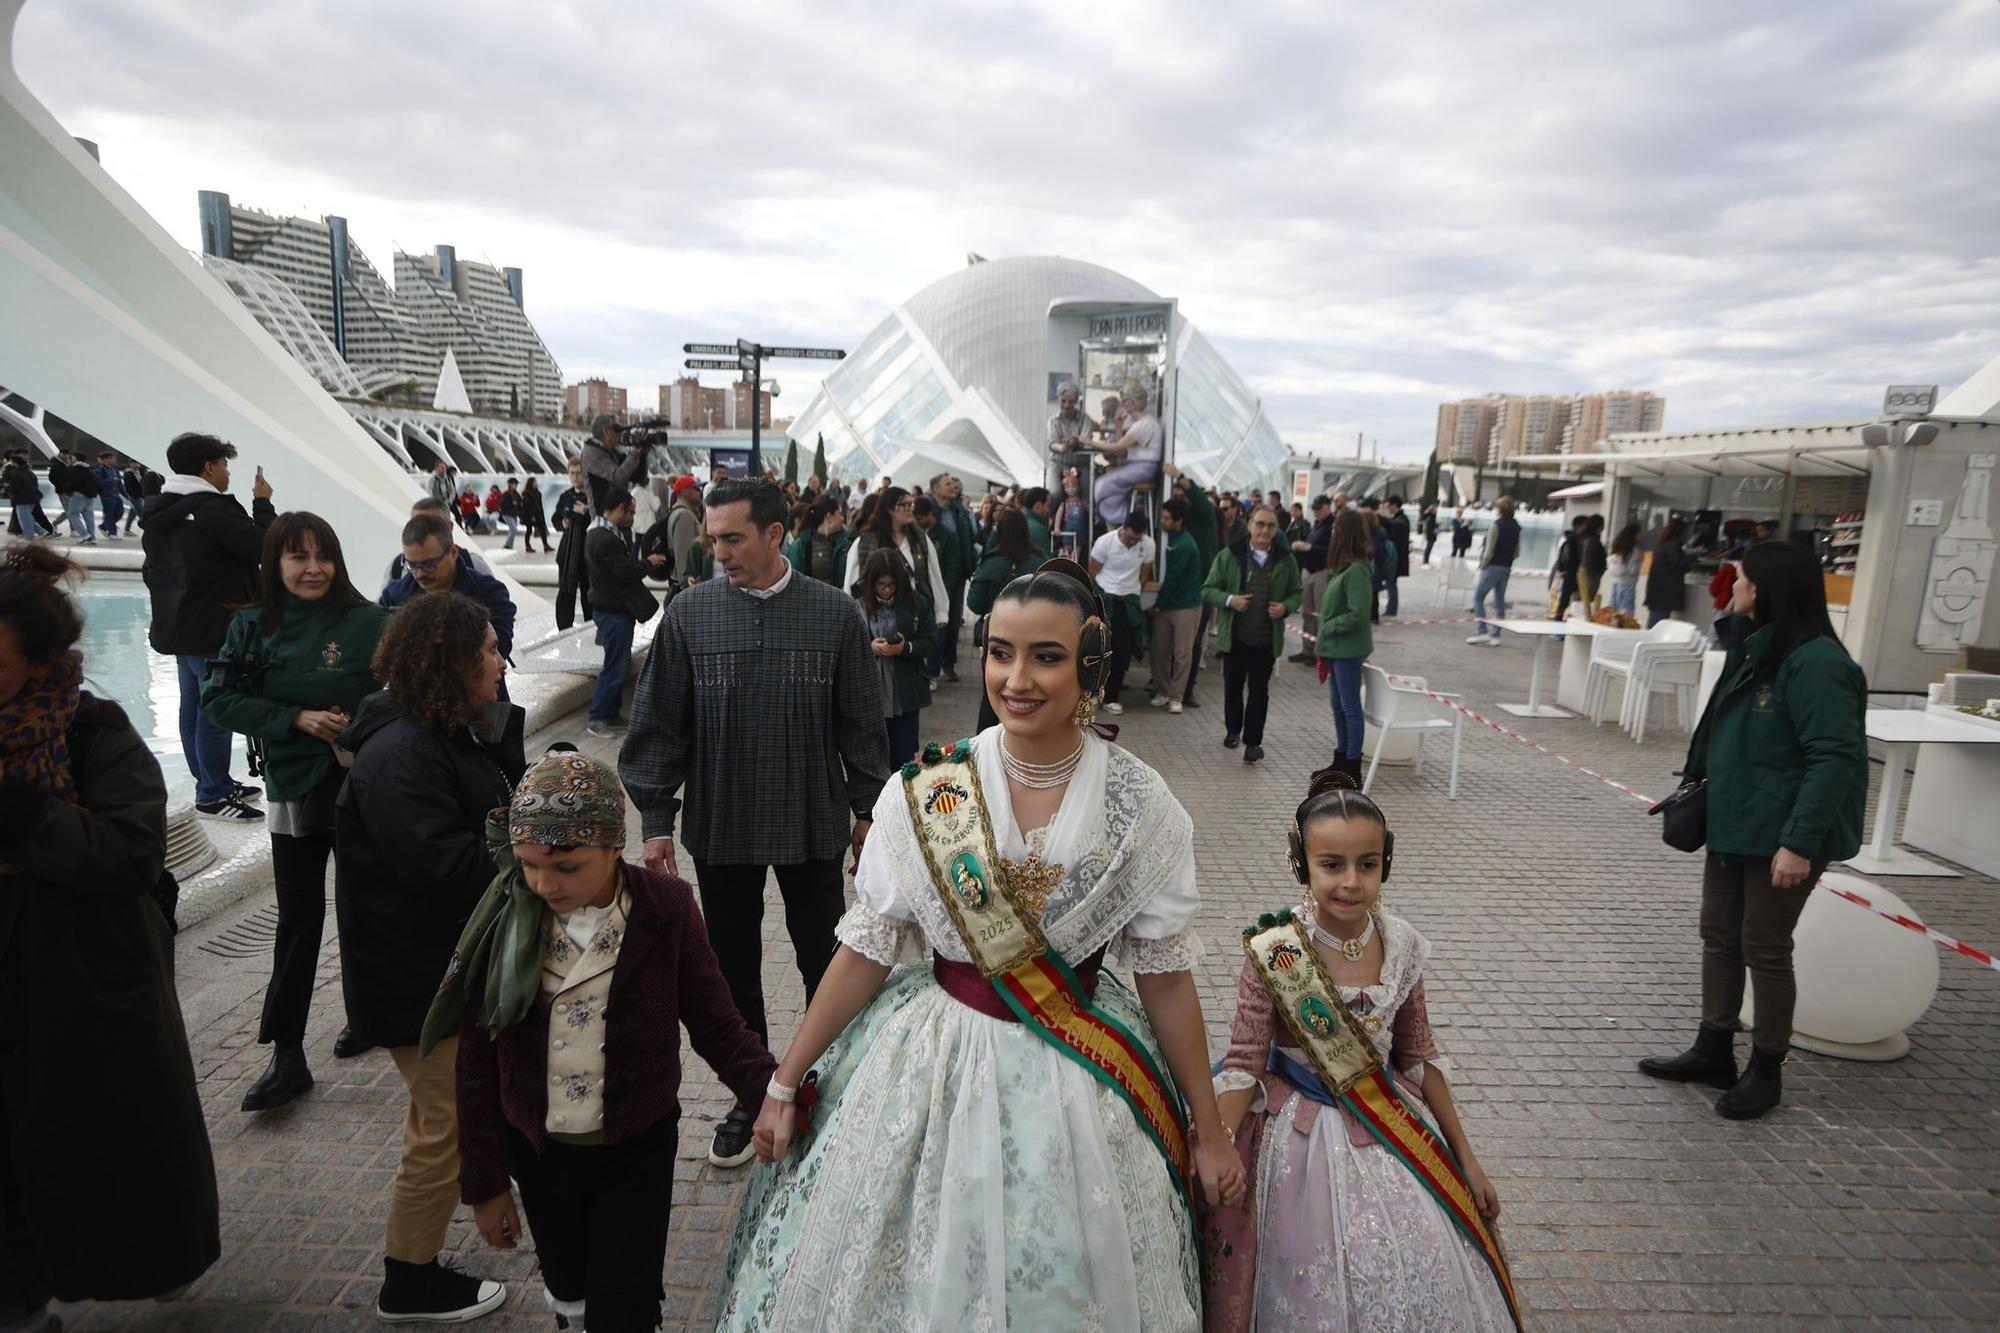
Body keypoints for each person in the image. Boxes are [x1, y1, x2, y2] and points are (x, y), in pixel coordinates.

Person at [715, 561, 1243, 1329]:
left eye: (1046, 656)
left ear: (1091, 661)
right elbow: (868, 946)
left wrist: (1207, 1126)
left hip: (1084, 1078)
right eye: (999, 651)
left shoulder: (1141, 804)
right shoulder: (928, 788)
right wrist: (784, 1080)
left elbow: (1165, 976)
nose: (1016, 677)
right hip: (933, 1067)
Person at [445, 753, 777, 1331]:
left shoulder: (665, 909)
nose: (544, 884)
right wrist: (486, 1183)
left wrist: (773, 1092)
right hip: (542, 1155)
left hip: (637, 1148)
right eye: (528, 864)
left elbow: (715, 1021)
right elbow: (476, 1060)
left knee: (626, 1301)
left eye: (566, 866)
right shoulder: (504, 915)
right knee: (569, 1287)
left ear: (612, 847)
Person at [619, 478, 891, 1169]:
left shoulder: (835, 615)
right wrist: (655, 821)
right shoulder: (688, 614)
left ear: (775, 534)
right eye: (713, 539)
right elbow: (658, 726)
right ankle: (753, 1090)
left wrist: (869, 815)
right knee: (731, 969)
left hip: (810, 822)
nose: (720, 552)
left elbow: (862, 727)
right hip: (723, 823)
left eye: (732, 538)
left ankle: (821, 1083)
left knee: (824, 959)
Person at [0, 544, 220, 1329]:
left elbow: (130, 856)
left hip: (78, 990)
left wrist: (21, 810)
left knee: (95, 1162)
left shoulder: (93, 732)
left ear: (39, 659)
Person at [1206, 773, 1514, 1330]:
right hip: (1298, 1140)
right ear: (1301, 863)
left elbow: (1419, 1056)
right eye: (1332, 865)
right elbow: (1243, 1066)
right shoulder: (1276, 951)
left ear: (1385, 863)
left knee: (1420, 1256)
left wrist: (1467, 1160)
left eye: (1367, 864)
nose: (1351, 882)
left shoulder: (1402, 944)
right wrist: (1218, 1144)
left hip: (1391, 1125)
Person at [334, 590, 521, 1323]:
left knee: (443, 1121)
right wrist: (529, 856)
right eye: (487, 653)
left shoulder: (441, 732)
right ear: (448, 666)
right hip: (418, 983)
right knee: (446, 1125)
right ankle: (408, 1279)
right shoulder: (404, 754)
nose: (500, 662)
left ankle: (417, 1259)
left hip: (436, 975)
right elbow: (449, 869)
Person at [1639, 540, 1868, 1121]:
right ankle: (1713, 1047)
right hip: (1736, 824)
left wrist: (1799, 843)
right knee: (1720, 936)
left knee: (1765, 948)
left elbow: (1834, 759)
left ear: (1765, 588)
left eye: (1737, 578)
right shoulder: (1754, 648)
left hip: (1782, 835)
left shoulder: (1819, 663)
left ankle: (1766, 1069)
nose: (1728, 586)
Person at [203, 513, 393, 1110]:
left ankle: (369, 1019)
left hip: (363, 789)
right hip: (292, 787)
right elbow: (218, 699)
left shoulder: (371, 622)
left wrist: (361, 723)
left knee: (368, 908)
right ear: (274, 563)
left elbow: (410, 691)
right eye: (297, 557)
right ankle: (286, 1053)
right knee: (298, 919)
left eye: (323, 556)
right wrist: (295, 719)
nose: (313, 569)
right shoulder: (250, 627)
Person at [141, 431, 275, 820]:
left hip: (178, 624)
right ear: (209, 466)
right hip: (216, 626)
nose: (228, 473)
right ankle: (212, 794)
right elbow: (265, 546)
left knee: (193, 705)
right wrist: (263, 503)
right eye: (224, 465)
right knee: (217, 708)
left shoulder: (161, 510)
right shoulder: (212, 509)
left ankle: (210, 779)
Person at [1204, 503, 1302, 764]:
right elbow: (1209, 589)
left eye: (1270, 526)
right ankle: (1233, 730)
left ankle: (1253, 743)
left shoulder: (1286, 559)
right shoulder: (1230, 555)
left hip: (1266, 640)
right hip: (1235, 637)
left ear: (1276, 529)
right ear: (1249, 525)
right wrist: (1230, 600)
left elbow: (1296, 592)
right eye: (1260, 524)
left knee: (1260, 691)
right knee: (1233, 687)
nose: (1264, 530)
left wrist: (1286, 607)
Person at [381, 512, 518, 666]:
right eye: (412, 565)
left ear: (453, 552)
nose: (419, 573)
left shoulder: (489, 593)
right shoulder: (394, 597)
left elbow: (498, 651)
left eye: (429, 564)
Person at [583, 489, 665, 739]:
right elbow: (626, 572)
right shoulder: (605, 539)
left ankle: (611, 713)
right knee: (615, 666)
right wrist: (649, 562)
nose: (632, 516)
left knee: (618, 663)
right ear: (619, 508)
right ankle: (597, 718)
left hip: (609, 609)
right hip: (613, 612)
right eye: (630, 511)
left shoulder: (597, 533)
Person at [854, 549, 936, 762]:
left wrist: (904, 648)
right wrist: (868, 648)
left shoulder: (915, 603)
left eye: (892, 585)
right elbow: (843, 647)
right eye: (882, 585)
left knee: (904, 757)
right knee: (873, 757)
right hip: (868, 696)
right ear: (871, 583)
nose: (887, 590)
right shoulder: (855, 604)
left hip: (904, 695)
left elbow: (931, 641)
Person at [1317, 509, 1375, 782]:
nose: (1332, 532)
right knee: (1338, 706)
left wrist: (1328, 626)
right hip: (1336, 648)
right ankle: (1341, 758)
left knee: (1350, 707)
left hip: (1347, 649)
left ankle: (1352, 765)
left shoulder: (1357, 570)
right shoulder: (1344, 568)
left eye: (1336, 527)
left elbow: (1358, 614)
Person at [843, 485, 948, 616]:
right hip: (877, 615)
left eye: (911, 504)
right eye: (905, 504)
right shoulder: (865, 541)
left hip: (914, 612)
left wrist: (941, 611)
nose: (910, 509)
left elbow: (934, 575)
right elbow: (851, 581)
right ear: (890, 509)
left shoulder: (919, 538)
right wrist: (850, 615)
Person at [1087, 509, 1152, 716]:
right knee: (1099, 648)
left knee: (1122, 652)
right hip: (1106, 597)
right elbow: (1093, 572)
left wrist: (1131, 590)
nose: (1134, 542)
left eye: (1138, 538)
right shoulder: (1105, 542)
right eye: (1131, 537)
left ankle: (1113, 696)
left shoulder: (1148, 545)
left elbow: (1145, 573)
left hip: (1128, 600)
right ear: (1122, 528)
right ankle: (1095, 692)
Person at [1164, 462, 1219, 707]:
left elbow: (1203, 505)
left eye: (1182, 496)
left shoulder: (1203, 518)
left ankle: (1187, 689)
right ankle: (1166, 687)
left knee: (1192, 643)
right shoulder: (1172, 528)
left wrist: (1181, 477)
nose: (1179, 500)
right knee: (1165, 644)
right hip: (1174, 592)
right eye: (1175, 496)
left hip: (1198, 591)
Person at [1147, 498, 1204, 715]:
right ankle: (1162, 691)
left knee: (1182, 653)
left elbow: (1172, 579)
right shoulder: (1169, 539)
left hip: (1186, 606)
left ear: (1179, 521)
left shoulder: (1184, 545)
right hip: (1170, 605)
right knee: (1159, 651)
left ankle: (1175, 696)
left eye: (1167, 518)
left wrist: (1157, 605)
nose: (1162, 521)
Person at [924, 473, 978, 683]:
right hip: (935, 573)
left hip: (957, 573)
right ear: (935, 488)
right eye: (947, 484)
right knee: (938, 620)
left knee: (953, 620)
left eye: (953, 484)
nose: (953, 487)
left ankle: (948, 663)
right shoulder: (929, 511)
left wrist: (969, 563)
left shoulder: (959, 511)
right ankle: (933, 666)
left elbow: (970, 538)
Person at [379, 498, 496, 593]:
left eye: (429, 563)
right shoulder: (396, 569)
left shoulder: (475, 566)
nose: (420, 573)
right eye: (416, 524)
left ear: (449, 526)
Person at [1094, 383, 1164, 529]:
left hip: (1143, 469)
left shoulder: (1145, 424)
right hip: (1136, 467)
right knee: (1107, 488)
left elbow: (1118, 447)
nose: (1123, 404)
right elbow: (1123, 451)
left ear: (1134, 401)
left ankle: (1129, 521)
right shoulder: (1137, 423)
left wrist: (1090, 442)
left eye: (1125, 400)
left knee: (1102, 485)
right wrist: (1119, 428)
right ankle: (1122, 523)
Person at [964, 509, 1046, 617]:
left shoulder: (990, 563)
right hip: (1035, 625)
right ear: (1025, 529)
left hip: (998, 625)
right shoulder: (1042, 561)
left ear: (999, 531)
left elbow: (975, 604)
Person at [1467, 496, 1520, 645]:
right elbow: (1517, 551)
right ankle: (1496, 635)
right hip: (1506, 567)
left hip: (1492, 567)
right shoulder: (1516, 527)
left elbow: (1489, 551)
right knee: (1499, 602)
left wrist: (1482, 565)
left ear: (1500, 510)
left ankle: (1482, 631)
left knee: (1478, 598)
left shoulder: (1495, 526)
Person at [1291, 493, 1335, 664]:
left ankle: (1320, 653)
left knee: (1319, 613)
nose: (1315, 513)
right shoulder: (1317, 525)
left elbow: (1331, 551)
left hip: (1322, 571)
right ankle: (1307, 650)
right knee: (1307, 613)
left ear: (1327, 508)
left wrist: (1310, 547)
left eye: (1318, 509)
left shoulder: (1332, 526)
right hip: (1308, 572)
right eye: (1314, 509)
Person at [551, 460, 591, 630]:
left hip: (587, 552)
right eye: (572, 473)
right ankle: (564, 629)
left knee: (589, 594)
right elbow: (555, 518)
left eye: (578, 473)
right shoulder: (565, 496)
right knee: (566, 592)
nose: (575, 477)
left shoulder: (593, 496)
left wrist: (587, 511)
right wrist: (563, 523)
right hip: (568, 553)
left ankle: (591, 628)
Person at [785, 494, 850, 586]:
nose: (843, 518)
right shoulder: (800, 546)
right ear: (829, 516)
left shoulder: (843, 545)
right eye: (839, 514)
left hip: (836, 598)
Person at [1645, 516, 1696, 629]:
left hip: (1658, 588)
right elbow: (1677, 563)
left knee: (1655, 619)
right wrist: (1694, 556)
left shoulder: (1662, 543)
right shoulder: (1673, 544)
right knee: (1659, 621)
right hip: (1666, 589)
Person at [1381, 493, 1412, 617]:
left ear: (1394, 505)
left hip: (1395, 559)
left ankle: (1391, 610)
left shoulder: (1400, 521)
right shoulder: (1400, 519)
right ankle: (1391, 609)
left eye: (1388, 505)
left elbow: (1392, 532)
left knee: (1391, 583)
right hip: (1396, 558)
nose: (1387, 508)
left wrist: (1382, 517)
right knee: (1390, 583)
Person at [1551, 515, 1586, 621]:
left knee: (1566, 598)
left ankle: (1560, 617)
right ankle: (1560, 618)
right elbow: (1567, 557)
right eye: (1585, 525)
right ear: (1578, 526)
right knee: (1567, 599)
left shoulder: (1570, 539)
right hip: (1571, 572)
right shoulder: (1573, 540)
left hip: (1569, 572)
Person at [1606, 523, 1644, 618]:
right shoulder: (1635, 552)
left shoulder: (1617, 548)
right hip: (1628, 586)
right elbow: (1632, 570)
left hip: (1615, 585)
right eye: (1640, 533)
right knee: (1626, 615)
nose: (1642, 535)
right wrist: (1640, 560)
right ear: (1634, 535)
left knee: (1613, 614)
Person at [4, 452, 44, 539]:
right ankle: (41, 531)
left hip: (23, 499)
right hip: (33, 498)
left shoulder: (17, 474)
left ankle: (28, 535)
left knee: (24, 518)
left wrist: (7, 488)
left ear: (15, 463)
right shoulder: (29, 472)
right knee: (28, 517)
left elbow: (14, 487)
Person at [92, 452, 125, 538]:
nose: (114, 460)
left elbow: (120, 484)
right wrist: (111, 480)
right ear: (105, 459)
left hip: (116, 495)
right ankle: (112, 533)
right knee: (109, 514)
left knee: (119, 512)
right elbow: (98, 483)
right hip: (106, 496)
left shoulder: (115, 470)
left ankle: (104, 526)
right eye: (111, 458)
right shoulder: (99, 470)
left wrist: (126, 495)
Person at [497, 477, 523, 550]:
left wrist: (518, 504)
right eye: (514, 484)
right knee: (514, 530)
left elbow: (520, 502)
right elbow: (501, 504)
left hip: (514, 514)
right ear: (510, 484)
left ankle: (510, 546)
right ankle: (507, 545)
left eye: (516, 484)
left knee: (512, 530)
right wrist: (511, 504)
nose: (515, 485)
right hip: (507, 514)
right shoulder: (506, 494)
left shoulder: (516, 494)